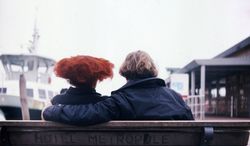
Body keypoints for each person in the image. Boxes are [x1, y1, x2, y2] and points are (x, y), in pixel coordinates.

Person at [43, 50, 194, 125]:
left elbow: (84, 114)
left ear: (125, 72)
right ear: (153, 70)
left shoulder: (120, 101)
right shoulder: (176, 98)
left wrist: (51, 109)